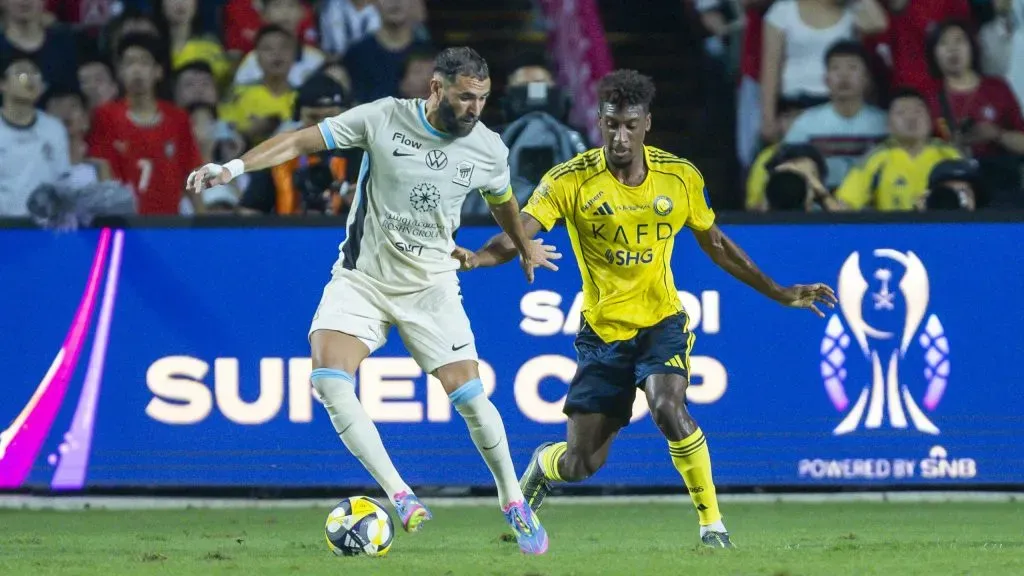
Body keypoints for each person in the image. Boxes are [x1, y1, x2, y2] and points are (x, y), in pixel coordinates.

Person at [184, 47, 556, 555]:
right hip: (362, 279)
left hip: (431, 285)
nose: (474, 108)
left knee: (470, 397)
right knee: (328, 380)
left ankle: (513, 500)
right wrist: (232, 168)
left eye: (483, 99)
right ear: (436, 89)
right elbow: (299, 140)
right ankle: (400, 495)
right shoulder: (383, 117)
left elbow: (503, 200)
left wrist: (522, 242)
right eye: (465, 97)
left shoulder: (489, 148)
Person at [460, 69, 837, 549]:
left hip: (662, 322)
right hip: (602, 336)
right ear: (598, 122)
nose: (620, 136)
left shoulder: (679, 176)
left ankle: (712, 526)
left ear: (647, 124)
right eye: (611, 124)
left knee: (668, 406)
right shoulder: (570, 180)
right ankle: (544, 466)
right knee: (580, 465)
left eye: (630, 125)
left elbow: (717, 244)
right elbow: (519, 230)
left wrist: (778, 291)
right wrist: (478, 257)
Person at [88, 33, 204, 215]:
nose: (137, 70)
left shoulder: (178, 118)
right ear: (119, 72)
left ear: (158, 71)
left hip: (169, 224)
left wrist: (202, 220)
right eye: (129, 63)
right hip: (125, 223)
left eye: (143, 63)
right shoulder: (105, 116)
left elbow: (191, 172)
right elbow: (103, 171)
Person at [0, 56, 70, 216]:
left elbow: (63, 182)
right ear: (2, 84)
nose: (30, 79)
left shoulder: (55, 129)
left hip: (45, 229)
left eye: (36, 74)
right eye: (22, 74)